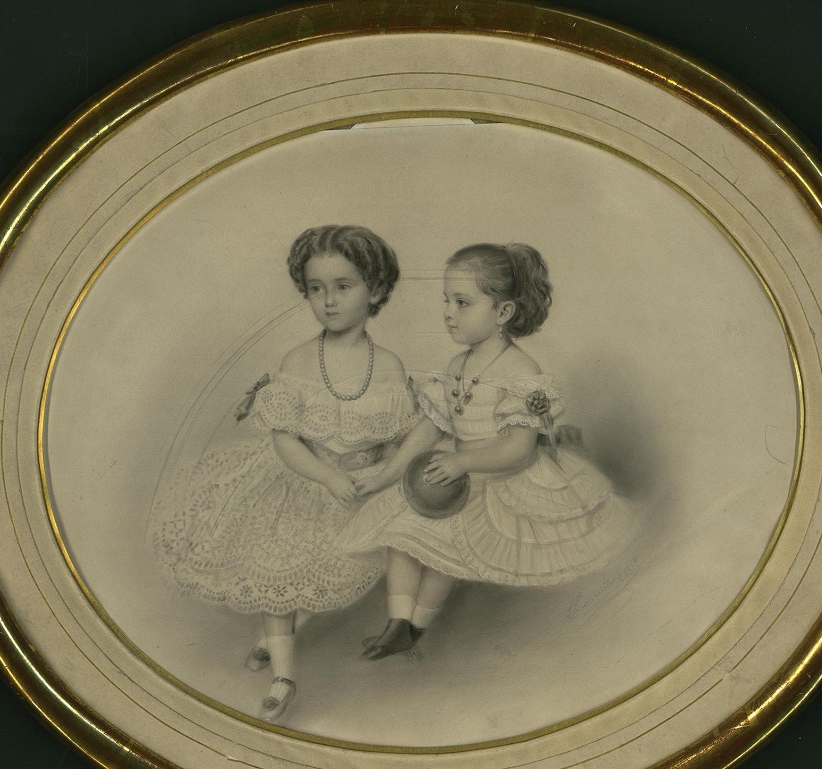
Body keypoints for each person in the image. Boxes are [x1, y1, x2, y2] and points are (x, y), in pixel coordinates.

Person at [155, 225, 417, 720]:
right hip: (301, 484)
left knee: (326, 574)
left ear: (376, 289)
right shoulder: (298, 361)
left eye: (343, 286)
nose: (329, 301)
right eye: (316, 289)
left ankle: (276, 640)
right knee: (278, 570)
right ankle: (284, 676)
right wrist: (327, 476)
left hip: (360, 490)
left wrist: (379, 474)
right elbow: (284, 440)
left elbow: (396, 434)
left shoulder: (389, 366)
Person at [341, 242, 637, 659]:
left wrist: (463, 461)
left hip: (499, 478)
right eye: (446, 300)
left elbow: (518, 450)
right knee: (399, 536)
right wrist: (386, 475)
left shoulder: (520, 372)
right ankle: (397, 623)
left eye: (462, 303)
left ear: (503, 312)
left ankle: (415, 628)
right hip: (452, 474)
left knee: (445, 551)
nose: (448, 312)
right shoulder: (455, 367)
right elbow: (432, 428)